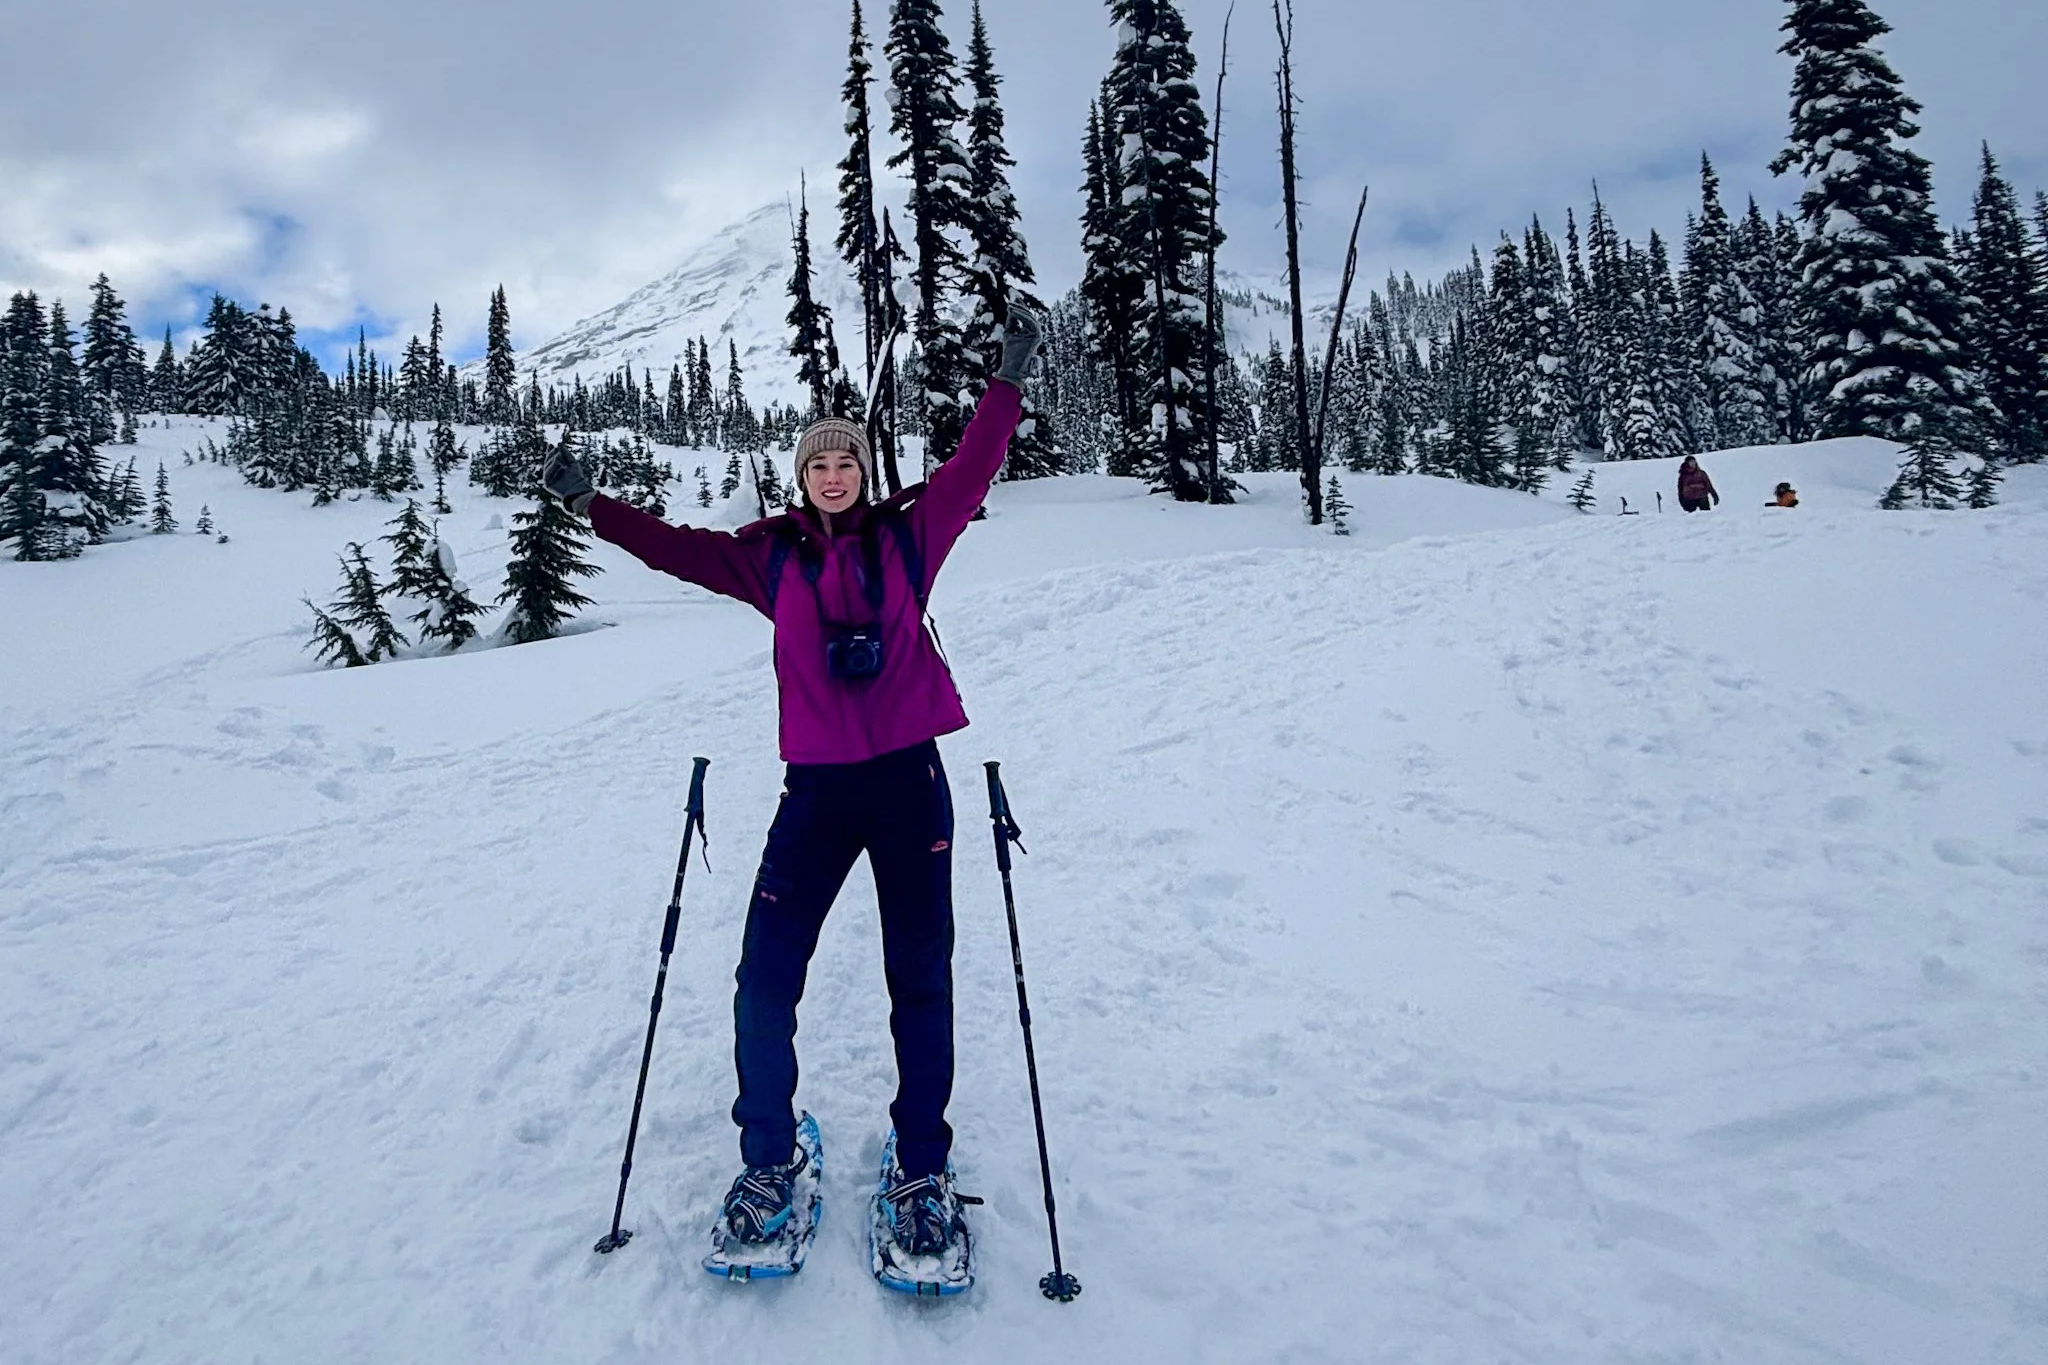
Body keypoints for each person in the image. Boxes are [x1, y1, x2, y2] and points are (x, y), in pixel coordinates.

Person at [542, 306, 1041, 1263]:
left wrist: (1008, 376)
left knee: (919, 979)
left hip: (906, 785)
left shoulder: (911, 537)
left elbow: (974, 465)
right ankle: (768, 1160)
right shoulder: (767, 556)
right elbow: (675, 549)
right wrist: (591, 507)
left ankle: (923, 1166)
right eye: (818, 462)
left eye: (847, 459)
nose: (833, 473)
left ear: (864, 468)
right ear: (801, 477)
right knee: (764, 977)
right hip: (812, 793)